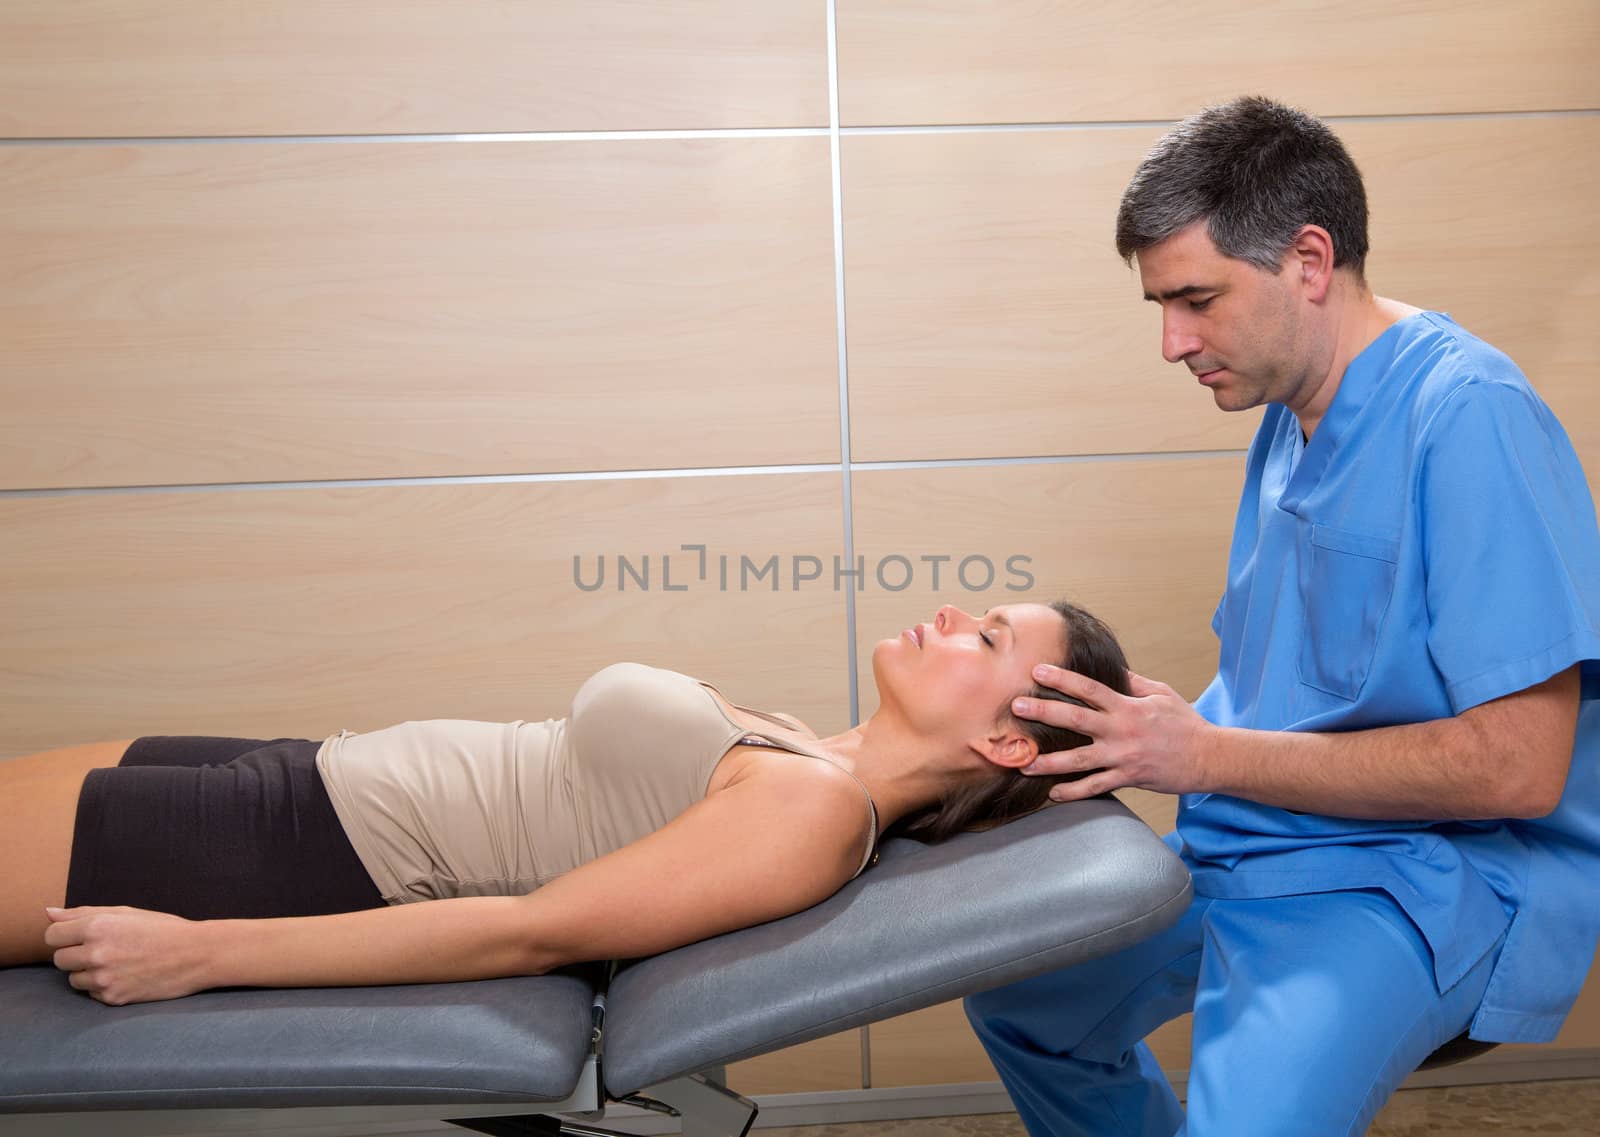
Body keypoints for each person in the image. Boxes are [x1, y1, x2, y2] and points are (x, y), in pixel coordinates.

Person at [965, 95, 1600, 1136]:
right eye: (1160, 307)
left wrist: (1205, 756)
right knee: (1027, 1003)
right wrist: (1155, 732)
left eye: (1195, 300)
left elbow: (1517, 768)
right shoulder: (1290, 415)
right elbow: (1310, 678)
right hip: (1258, 839)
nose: (1172, 342)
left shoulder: (1468, 415)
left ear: (1308, 261)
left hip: (1414, 878)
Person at [0, 599, 1128, 1006]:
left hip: (297, 850)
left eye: (986, 636)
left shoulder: (816, 813)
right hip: (303, 776)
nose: (949, 613)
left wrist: (201, 956)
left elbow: (530, 930)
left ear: (1001, 739)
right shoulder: (809, 751)